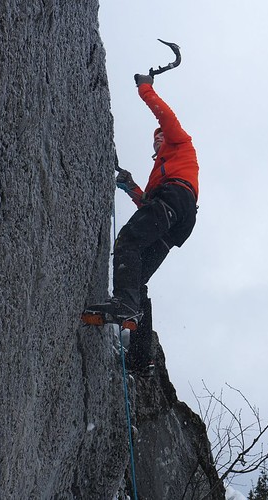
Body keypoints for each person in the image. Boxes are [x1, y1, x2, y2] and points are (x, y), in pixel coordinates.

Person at [86, 74, 199, 372]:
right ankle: (140, 359)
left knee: (127, 241)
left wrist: (144, 87)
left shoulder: (180, 143)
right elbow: (150, 206)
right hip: (178, 216)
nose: (158, 138)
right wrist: (132, 186)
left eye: (160, 135)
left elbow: (165, 114)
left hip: (175, 198)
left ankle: (124, 305)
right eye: (155, 138)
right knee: (138, 280)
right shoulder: (161, 169)